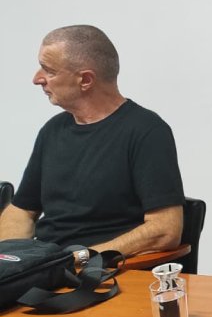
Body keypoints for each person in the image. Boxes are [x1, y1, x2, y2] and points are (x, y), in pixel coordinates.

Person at [0, 25, 184, 254]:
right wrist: (8, 259)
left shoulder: (147, 131)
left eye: (49, 71)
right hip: (46, 264)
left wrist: (78, 259)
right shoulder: (52, 130)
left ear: (85, 80)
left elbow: (165, 230)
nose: (37, 79)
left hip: (101, 268)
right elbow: (22, 211)